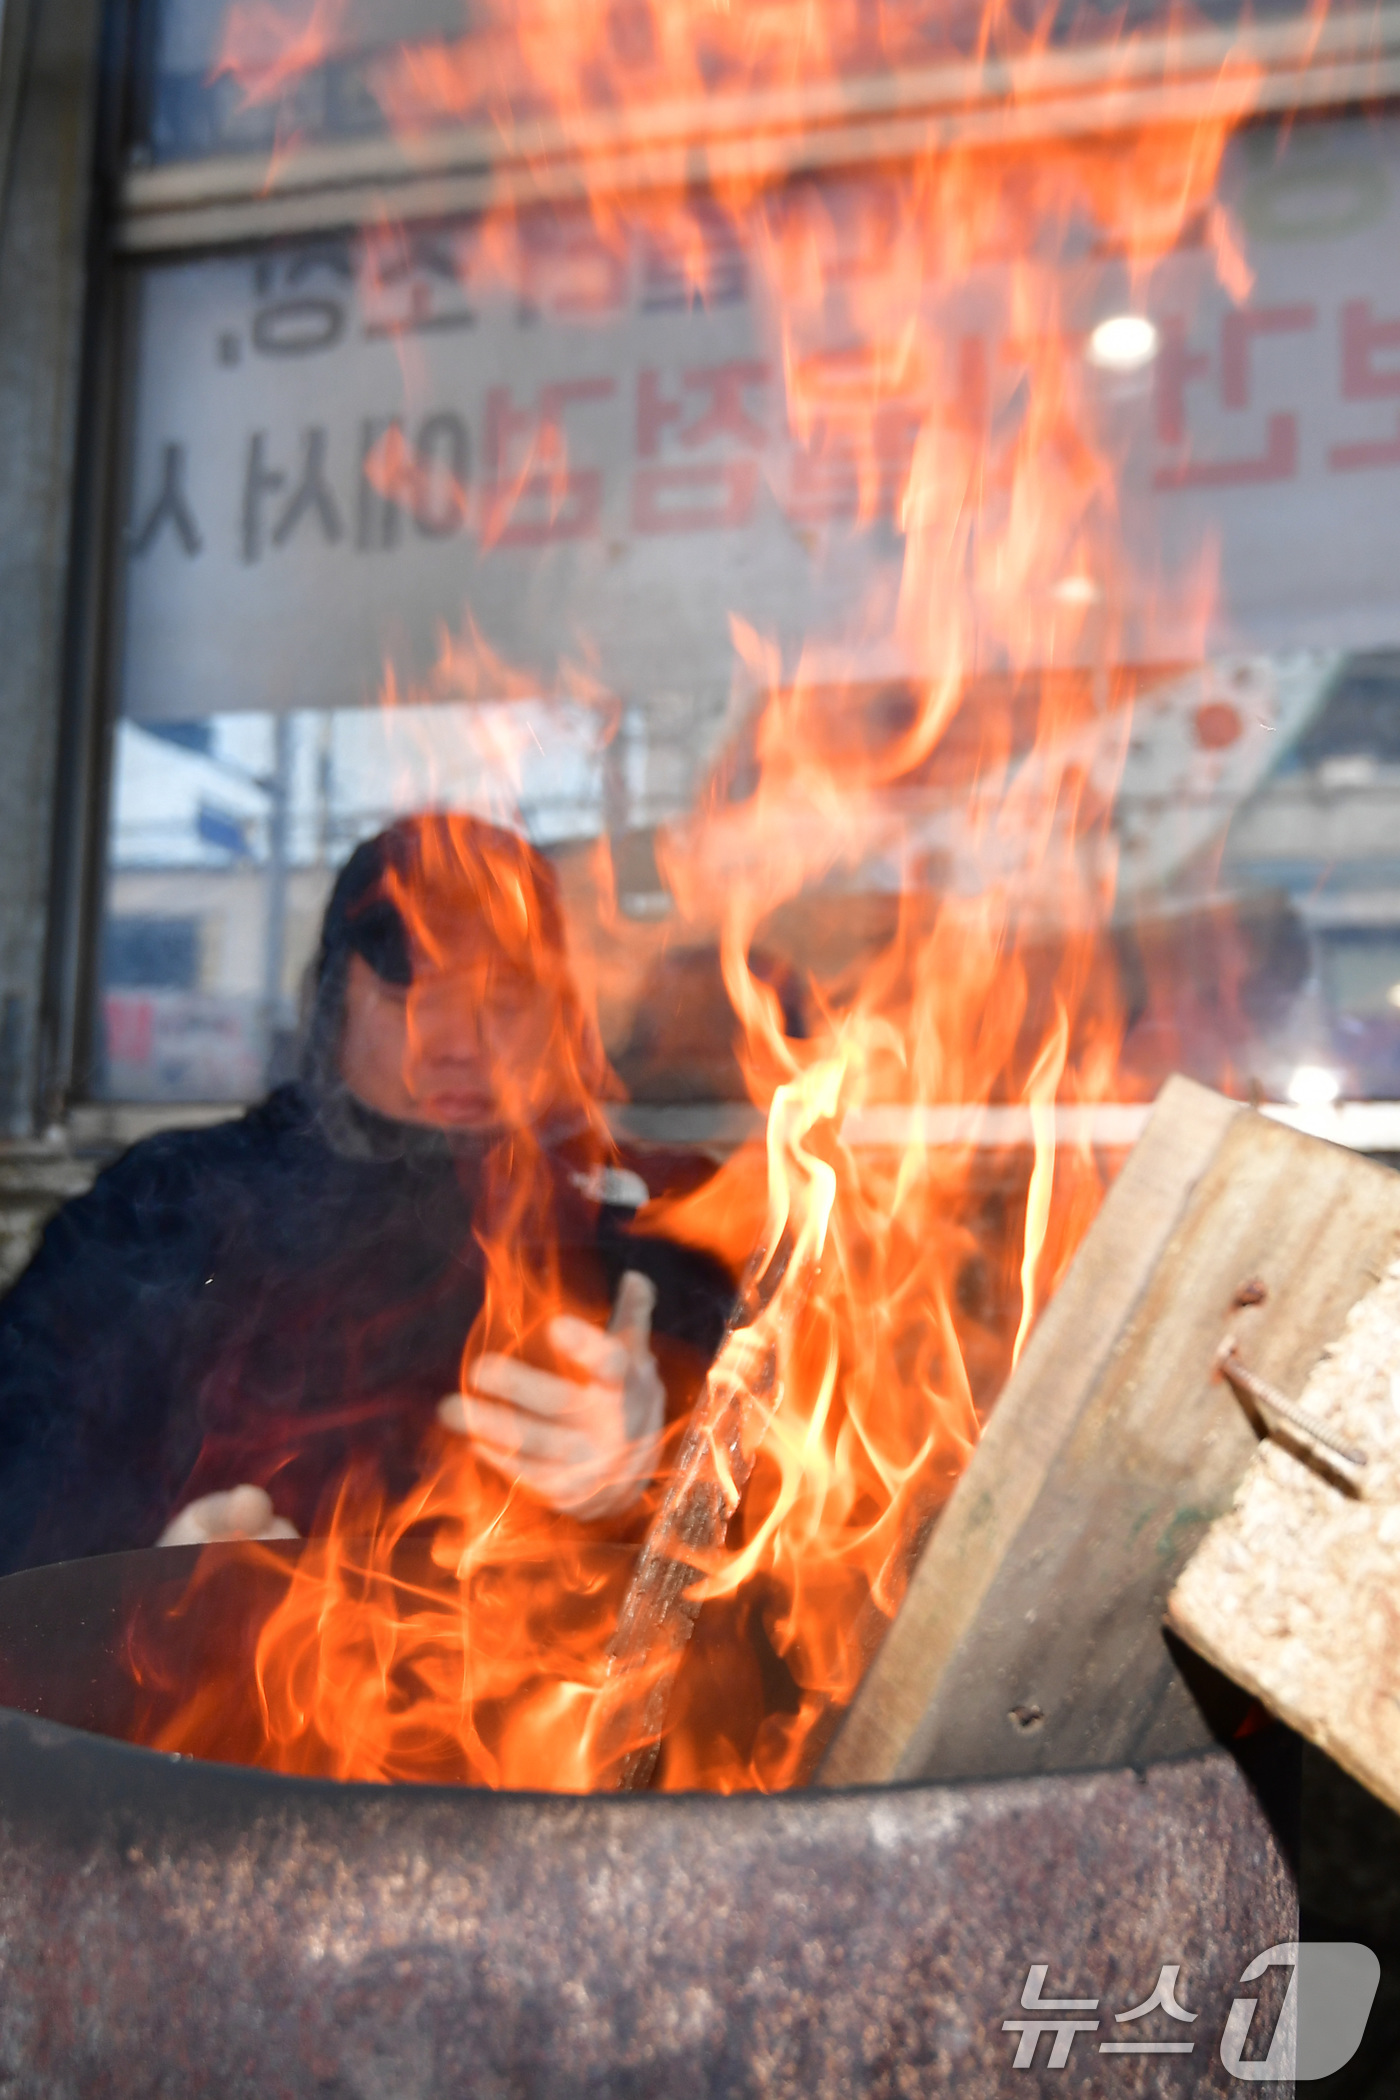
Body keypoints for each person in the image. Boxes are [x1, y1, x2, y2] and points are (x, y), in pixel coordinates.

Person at [0, 815, 734, 1576]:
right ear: (332, 1001)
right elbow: (25, 1451)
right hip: (219, 1681)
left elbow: (809, 1518)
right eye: (410, 991)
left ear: (560, 1012)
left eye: (505, 996)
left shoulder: (651, 1216)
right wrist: (134, 1580)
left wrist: (659, 1468)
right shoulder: (164, 1210)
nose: (458, 1041)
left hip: (539, 1680)